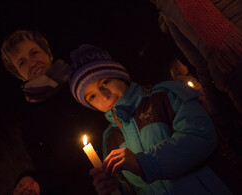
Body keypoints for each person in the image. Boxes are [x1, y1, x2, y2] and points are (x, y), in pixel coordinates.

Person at [69, 44, 231, 195]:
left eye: (105, 82)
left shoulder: (164, 97)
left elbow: (200, 136)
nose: (104, 96)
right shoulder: (110, 139)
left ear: (120, 76)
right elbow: (131, 189)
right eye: (92, 96)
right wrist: (115, 188)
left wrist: (145, 163)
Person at [150, 0, 242, 193]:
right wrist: (217, 111)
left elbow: (201, 66)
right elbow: (200, 64)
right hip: (234, 77)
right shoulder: (168, 10)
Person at [1, 30, 105, 194]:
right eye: (21, 62)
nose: (31, 62)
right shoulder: (30, 118)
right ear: (18, 74)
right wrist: (32, 181)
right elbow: (49, 172)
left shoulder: (81, 80)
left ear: (47, 53)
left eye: (34, 52)